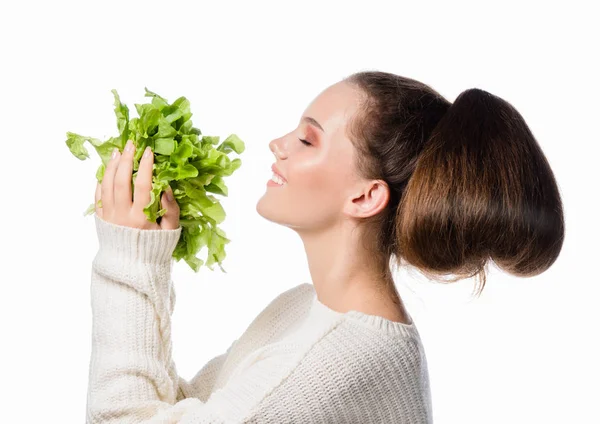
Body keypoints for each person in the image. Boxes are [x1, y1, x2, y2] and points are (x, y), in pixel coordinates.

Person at [86, 71, 565, 423]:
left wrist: (128, 258)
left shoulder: (335, 362)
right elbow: (180, 412)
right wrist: (150, 262)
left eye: (307, 139)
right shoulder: (305, 311)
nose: (277, 144)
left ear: (364, 196)